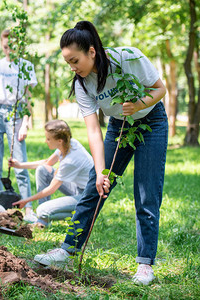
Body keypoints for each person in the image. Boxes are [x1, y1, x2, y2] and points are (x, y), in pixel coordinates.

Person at [34, 21, 167, 286]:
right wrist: (100, 171)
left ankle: (145, 265)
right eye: (68, 63)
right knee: (94, 189)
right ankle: (68, 248)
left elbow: (160, 89)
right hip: (119, 128)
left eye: (75, 60)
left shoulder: (128, 58)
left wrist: (138, 104)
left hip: (151, 123)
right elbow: (93, 130)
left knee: (146, 193)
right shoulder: (83, 85)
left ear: (91, 52)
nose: (73, 68)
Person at [0, 29, 38, 221]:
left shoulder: (26, 66)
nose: (8, 50)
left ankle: (28, 207)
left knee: (19, 162)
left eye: (12, 46)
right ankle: (0, 207)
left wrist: (26, 122)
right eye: (5, 46)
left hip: (17, 112)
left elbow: (29, 97)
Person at [10, 120, 93, 227]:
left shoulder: (70, 160)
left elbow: (51, 189)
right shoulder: (69, 143)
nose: (46, 141)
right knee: (42, 170)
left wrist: (26, 200)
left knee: (42, 210)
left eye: (48, 139)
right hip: (78, 188)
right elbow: (47, 163)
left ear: (59, 141)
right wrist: (19, 165)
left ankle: (87, 215)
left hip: (88, 197)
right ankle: (42, 222)